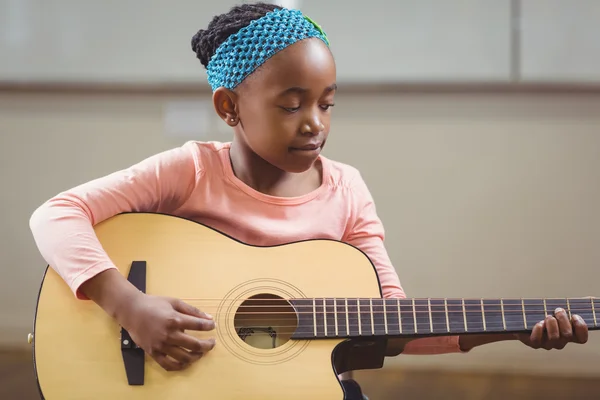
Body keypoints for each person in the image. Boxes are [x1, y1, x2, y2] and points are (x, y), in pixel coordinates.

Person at [29, 2, 588, 398]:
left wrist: (514, 326)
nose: (314, 124)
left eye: (327, 103)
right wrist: (130, 304)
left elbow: (391, 322)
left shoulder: (346, 191)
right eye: (292, 104)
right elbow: (56, 215)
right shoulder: (191, 169)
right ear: (230, 108)